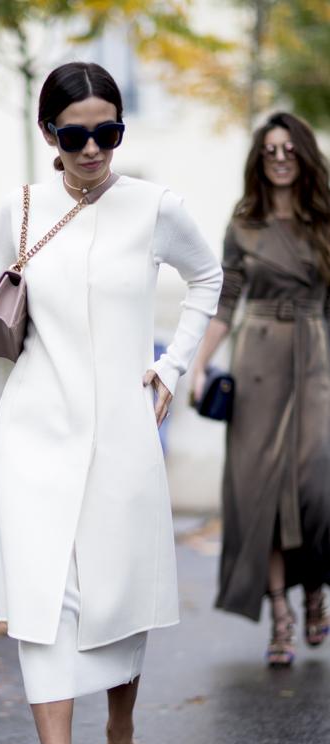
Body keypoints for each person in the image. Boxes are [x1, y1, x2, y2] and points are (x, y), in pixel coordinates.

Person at [0, 61, 222, 744]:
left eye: (108, 132)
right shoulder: (22, 209)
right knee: (41, 599)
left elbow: (208, 278)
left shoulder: (155, 207)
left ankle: (120, 737)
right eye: (76, 134)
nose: (93, 148)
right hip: (33, 431)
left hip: (123, 433)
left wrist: (171, 367)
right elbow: (1, 303)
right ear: (48, 136)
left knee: (117, 593)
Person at [192, 111, 330, 668]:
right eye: (269, 150)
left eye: (288, 149)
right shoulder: (244, 222)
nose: (278, 158)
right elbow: (226, 301)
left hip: (316, 357)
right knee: (259, 495)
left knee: (317, 486)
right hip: (256, 363)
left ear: (303, 155)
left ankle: (316, 588)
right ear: (259, 158)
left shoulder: (324, 220)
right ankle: (281, 615)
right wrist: (198, 364)